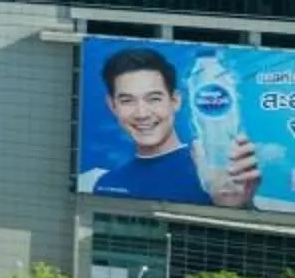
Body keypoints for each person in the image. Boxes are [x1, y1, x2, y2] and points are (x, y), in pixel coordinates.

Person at [83, 46, 257, 206]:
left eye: (154, 99)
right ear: (112, 105)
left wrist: (236, 205)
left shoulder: (212, 168)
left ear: (175, 101)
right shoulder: (108, 184)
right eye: (127, 101)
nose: (142, 113)